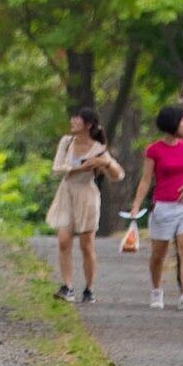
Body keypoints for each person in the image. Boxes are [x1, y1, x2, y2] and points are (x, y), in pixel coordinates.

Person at [46, 107, 121, 301]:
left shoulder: (98, 149)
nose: (73, 121)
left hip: (87, 196)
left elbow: (117, 175)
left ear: (88, 124)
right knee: (63, 241)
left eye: (77, 119)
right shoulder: (67, 142)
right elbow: (57, 168)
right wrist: (81, 167)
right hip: (66, 193)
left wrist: (105, 164)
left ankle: (89, 288)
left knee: (86, 245)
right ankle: (67, 286)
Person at [138, 106, 183, 308]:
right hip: (163, 207)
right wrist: (135, 205)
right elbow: (145, 180)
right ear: (173, 124)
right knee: (159, 253)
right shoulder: (154, 150)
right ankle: (156, 290)